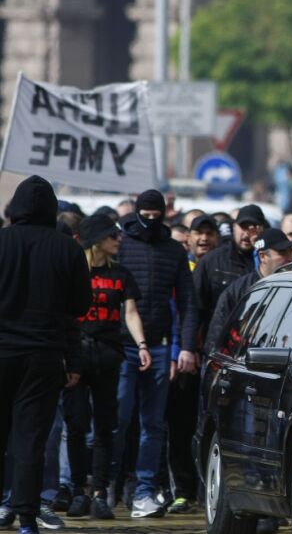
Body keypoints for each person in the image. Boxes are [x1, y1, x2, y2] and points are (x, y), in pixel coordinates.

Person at [0, 176, 91, 534]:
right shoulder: (66, 247)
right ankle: (26, 518)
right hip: (43, 355)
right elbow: (80, 305)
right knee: (31, 439)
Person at [114, 189, 199, 519]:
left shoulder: (173, 251)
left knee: (153, 425)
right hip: (122, 345)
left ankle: (144, 491)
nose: (150, 221)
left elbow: (188, 302)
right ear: (136, 213)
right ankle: (108, 485)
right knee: (118, 422)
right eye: (145, 214)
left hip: (162, 346)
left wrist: (186, 348)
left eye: (156, 215)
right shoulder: (122, 245)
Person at [64, 214, 150, 521]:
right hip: (75, 357)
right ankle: (77, 490)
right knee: (75, 425)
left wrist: (141, 345)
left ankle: (100, 493)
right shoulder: (74, 274)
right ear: (98, 240)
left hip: (108, 356)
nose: (119, 240)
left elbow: (130, 313)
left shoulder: (121, 274)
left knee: (105, 427)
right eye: (113, 236)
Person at [206, 229, 292, 352]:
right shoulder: (240, 291)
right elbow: (216, 337)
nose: (290, 258)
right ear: (263, 256)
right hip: (245, 365)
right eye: (282, 253)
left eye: (291, 252)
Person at [194, 204, 266, 337]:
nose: (247, 233)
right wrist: (190, 348)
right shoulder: (212, 261)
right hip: (217, 341)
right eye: (243, 227)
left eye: (254, 228)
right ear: (234, 227)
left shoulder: (268, 263)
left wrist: (259, 253)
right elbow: (195, 308)